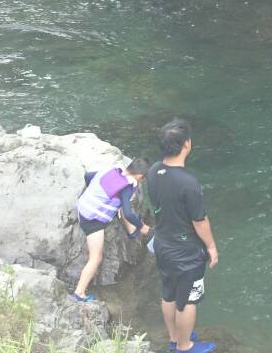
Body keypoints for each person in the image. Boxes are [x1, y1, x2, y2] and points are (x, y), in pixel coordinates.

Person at [145, 119, 219, 353]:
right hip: (186, 252)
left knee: (168, 293)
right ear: (186, 144)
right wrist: (211, 247)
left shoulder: (154, 170)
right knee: (188, 300)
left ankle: (174, 337)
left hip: (162, 244)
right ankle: (185, 346)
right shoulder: (188, 182)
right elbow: (200, 221)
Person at [72, 158, 153, 302]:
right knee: (96, 258)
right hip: (92, 220)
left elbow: (88, 176)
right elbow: (128, 213)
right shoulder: (127, 186)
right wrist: (142, 226)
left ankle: (131, 230)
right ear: (141, 177)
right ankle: (79, 293)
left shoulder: (113, 170)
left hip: (82, 207)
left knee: (121, 204)